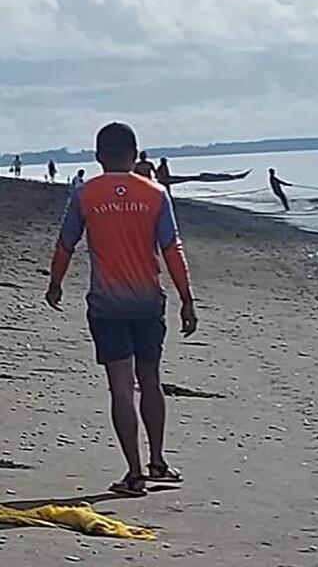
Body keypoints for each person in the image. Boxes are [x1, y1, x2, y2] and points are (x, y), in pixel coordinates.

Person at [45, 122, 197, 496]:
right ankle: (158, 461)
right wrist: (187, 298)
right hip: (148, 302)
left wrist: (55, 283)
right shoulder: (156, 193)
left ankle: (134, 473)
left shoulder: (85, 195)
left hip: (107, 305)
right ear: (135, 154)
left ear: (98, 157)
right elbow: (172, 248)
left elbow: (65, 243)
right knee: (150, 381)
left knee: (120, 388)